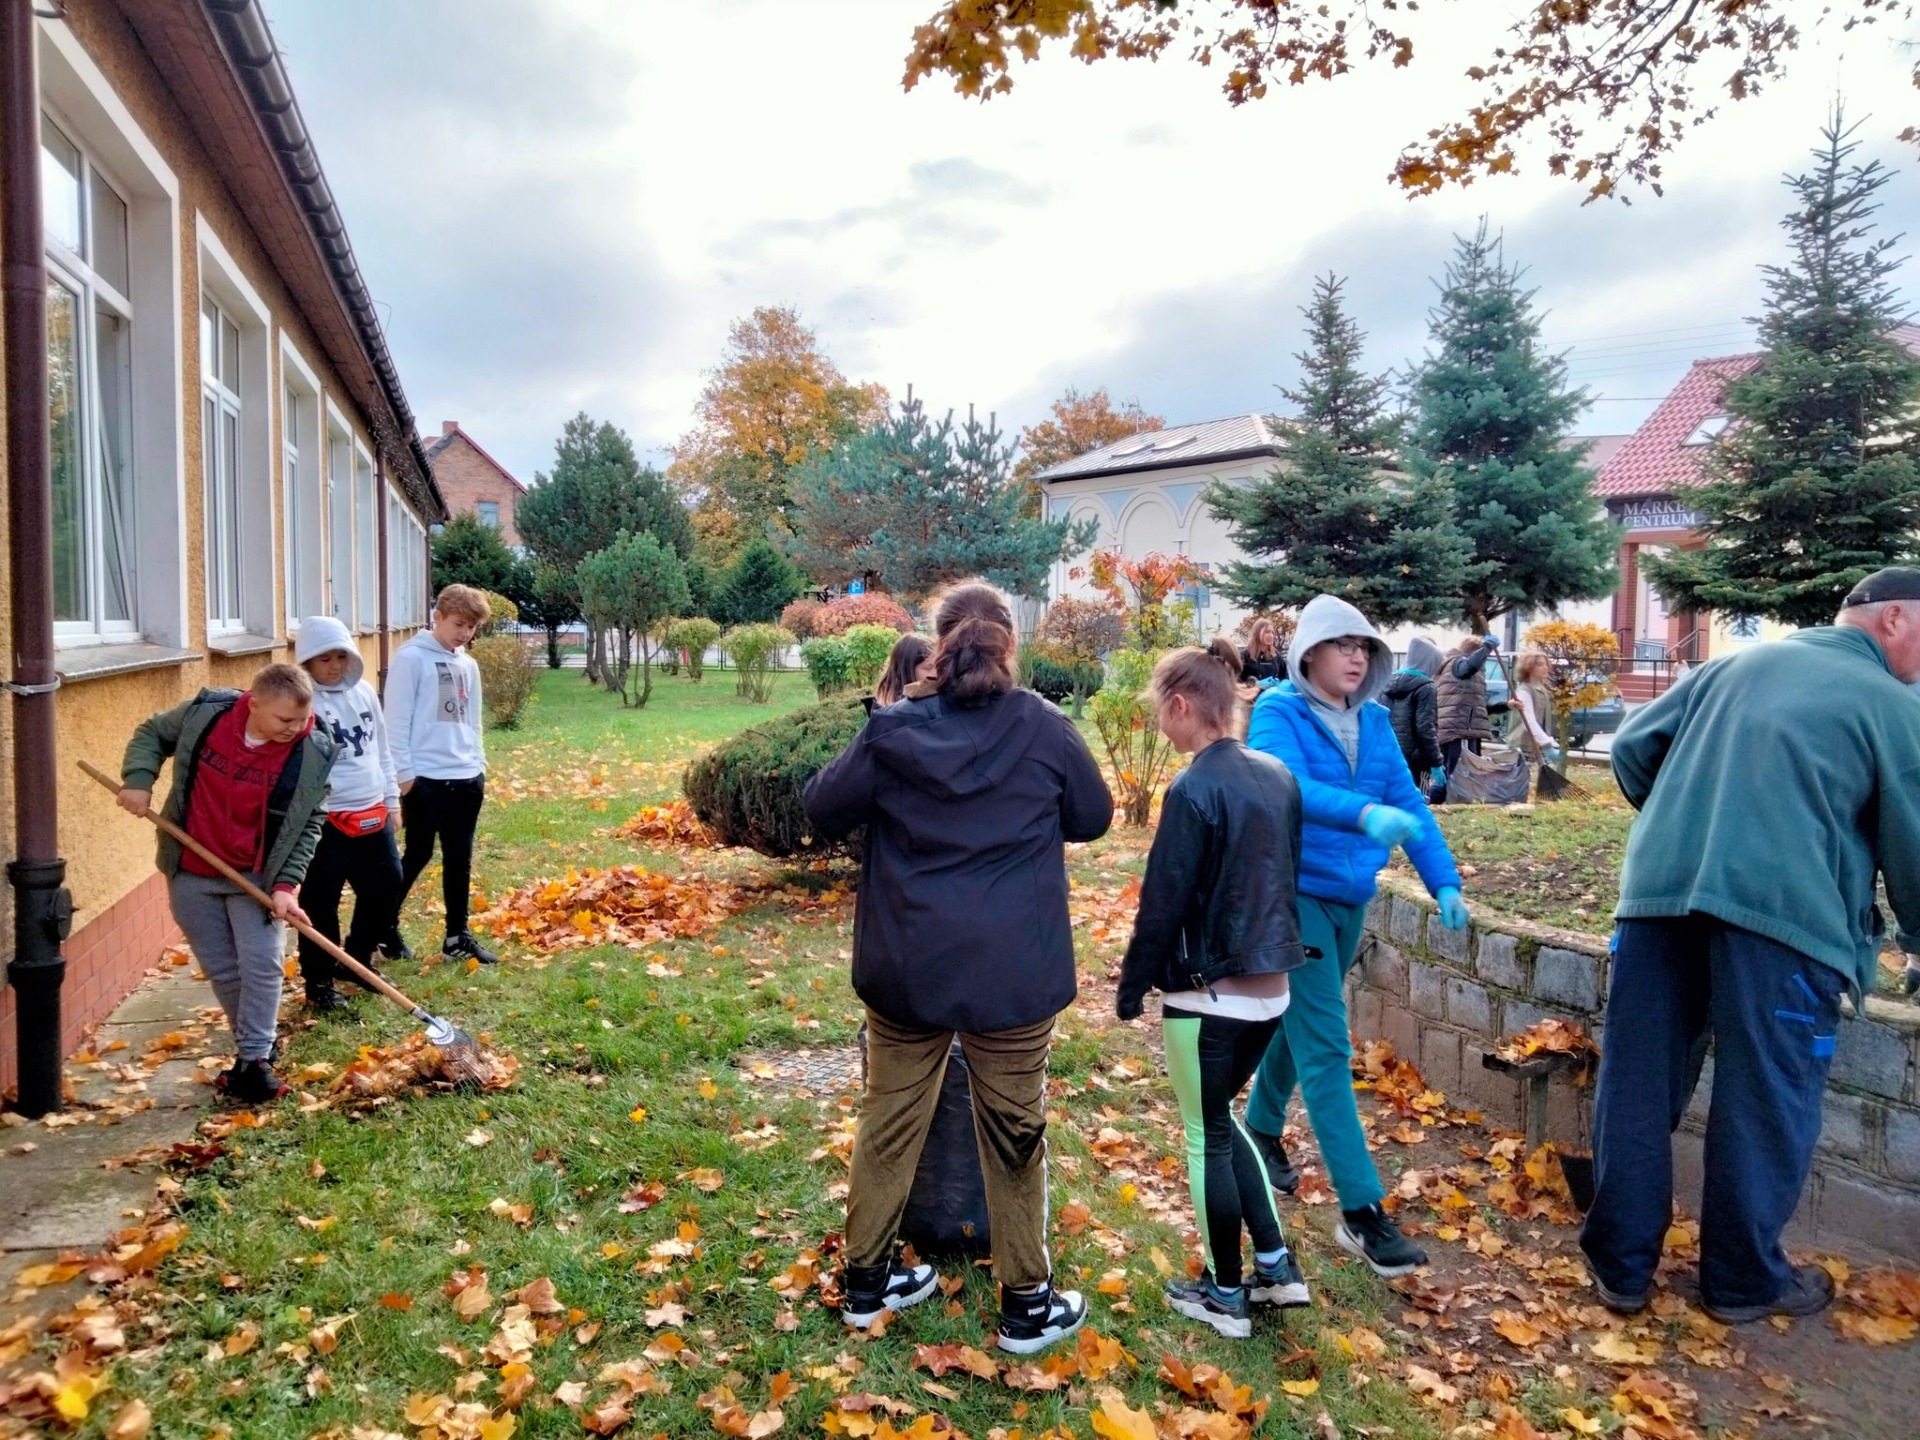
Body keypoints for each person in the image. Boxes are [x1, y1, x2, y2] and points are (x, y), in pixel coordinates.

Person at [1581, 568, 1920, 1325]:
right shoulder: (1891, 705)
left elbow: (1635, 746)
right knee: (1767, 1091)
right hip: (1783, 915)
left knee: (1638, 1081)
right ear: (1894, 618)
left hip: (1659, 897)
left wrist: (1687, 817)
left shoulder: (1730, 665)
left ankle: (1620, 1268)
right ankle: (1741, 1281)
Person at [804, 580, 1113, 1354]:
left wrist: (891, 723)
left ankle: (867, 1282)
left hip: (909, 966)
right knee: (1015, 1132)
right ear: (1011, 641)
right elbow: (1093, 817)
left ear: (938, 642)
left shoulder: (893, 730)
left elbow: (820, 807)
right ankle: (1026, 1306)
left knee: (887, 1119)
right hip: (1013, 973)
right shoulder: (1043, 727)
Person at [1240, 594, 1471, 1277]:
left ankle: (1258, 1128)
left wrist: (1444, 881)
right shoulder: (1279, 711)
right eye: (1342, 644)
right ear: (1308, 650)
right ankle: (1362, 1214)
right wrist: (1362, 814)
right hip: (1295, 894)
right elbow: (1285, 786)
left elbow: (1409, 806)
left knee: (1300, 1021)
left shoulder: (1373, 722)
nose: (1355, 656)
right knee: (1327, 1040)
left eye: (1365, 647)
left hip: (1351, 900)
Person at [1116, 646, 1311, 1338]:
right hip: (1273, 991)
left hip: (1208, 997)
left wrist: (1132, 985)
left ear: (1181, 706)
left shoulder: (1192, 789)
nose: (1159, 726)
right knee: (1225, 1121)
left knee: (1206, 1137)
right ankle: (1277, 1267)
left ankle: (1226, 1294)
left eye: (1157, 713)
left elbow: (1162, 902)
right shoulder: (1278, 775)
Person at [117, 664, 337, 1103]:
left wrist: (287, 886)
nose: (295, 729)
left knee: (262, 964)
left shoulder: (312, 749)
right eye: (284, 720)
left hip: (257, 873)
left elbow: (310, 821)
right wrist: (139, 781)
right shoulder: (207, 715)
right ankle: (253, 1054)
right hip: (191, 867)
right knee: (223, 969)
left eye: (302, 719)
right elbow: (152, 733)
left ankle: (254, 1060)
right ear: (252, 704)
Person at [294, 617, 403, 1013]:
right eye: (324, 658)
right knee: (320, 902)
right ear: (307, 661)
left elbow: (382, 747)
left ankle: (354, 960)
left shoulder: (365, 692)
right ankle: (318, 982)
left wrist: (391, 799)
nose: (335, 666)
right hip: (325, 818)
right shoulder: (300, 700)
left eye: (341, 656)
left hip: (371, 806)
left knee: (387, 884)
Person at [386, 584, 497, 965]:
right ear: (437, 616)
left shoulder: (468, 664)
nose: (464, 633)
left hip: (466, 776)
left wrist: (478, 764)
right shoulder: (411, 658)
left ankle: (457, 936)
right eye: (458, 624)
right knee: (417, 853)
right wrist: (404, 775)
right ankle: (383, 924)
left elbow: (474, 719)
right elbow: (396, 720)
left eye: (471, 627)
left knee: (459, 856)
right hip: (425, 778)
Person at [1434, 634, 1499, 775]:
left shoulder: (1470, 673)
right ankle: (1438, 797)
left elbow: (1479, 708)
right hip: (1459, 729)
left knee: (1463, 777)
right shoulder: (1457, 663)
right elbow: (1469, 666)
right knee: (1458, 776)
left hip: (1465, 729)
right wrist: (1487, 647)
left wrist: (1506, 706)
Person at [1384, 636, 1444, 784]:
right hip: (1416, 760)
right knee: (1418, 801)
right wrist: (1436, 762)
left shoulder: (1386, 682)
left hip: (1389, 756)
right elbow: (1425, 728)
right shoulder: (1426, 687)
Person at [1508, 651, 1562, 767]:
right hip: (1523, 745)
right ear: (1528, 667)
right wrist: (1547, 744)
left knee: (1549, 779)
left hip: (1538, 744)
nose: (1546, 667)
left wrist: (1548, 741)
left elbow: (1542, 721)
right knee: (1519, 781)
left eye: (1546, 664)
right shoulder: (1524, 691)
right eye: (1540, 664)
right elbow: (1528, 721)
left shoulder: (1541, 689)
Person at [873, 633, 934, 707]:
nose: (936, 673)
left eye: (940, 666)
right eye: (929, 667)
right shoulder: (892, 712)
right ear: (907, 670)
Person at [1240, 618, 1285, 684]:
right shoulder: (1244, 656)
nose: (1271, 635)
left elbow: (1285, 679)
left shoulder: (1277, 657)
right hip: (1251, 693)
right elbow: (1235, 682)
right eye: (1267, 632)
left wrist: (1281, 685)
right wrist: (1255, 685)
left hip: (1272, 694)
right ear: (1257, 633)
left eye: (1272, 632)